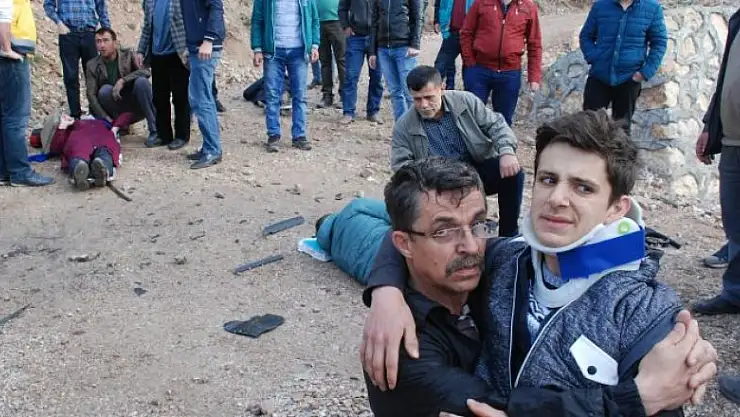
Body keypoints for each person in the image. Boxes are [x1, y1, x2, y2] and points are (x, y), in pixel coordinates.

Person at [360, 116, 719, 416]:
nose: (557, 198)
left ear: (617, 209)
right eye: (548, 180)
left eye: (583, 188)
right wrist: (385, 290)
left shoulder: (645, 312)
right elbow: (389, 233)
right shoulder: (504, 260)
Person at [391, 66, 524, 237]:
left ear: (442, 88)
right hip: (439, 183)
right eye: (417, 99)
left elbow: (496, 125)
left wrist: (506, 151)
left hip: (476, 170)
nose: (423, 105)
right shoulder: (404, 126)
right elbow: (402, 167)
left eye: (429, 97)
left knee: (513, 173)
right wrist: (425, 185)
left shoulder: (465, 101)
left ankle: (509, 235)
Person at [693, 7, 740, 316]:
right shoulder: (738, 19)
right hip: (733, 140)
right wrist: (710, 126)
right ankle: (735, 293)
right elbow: (725, 79)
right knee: (734, 220)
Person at [579, 0, 667, 136]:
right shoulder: (601, 6)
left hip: (629, 79)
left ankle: (619, 151)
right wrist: (594, 57)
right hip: (599, 76)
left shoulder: (652, 8)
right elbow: (586, 36)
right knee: (589, 126)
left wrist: (645, 72)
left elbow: (659, 43)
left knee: (622, 131)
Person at [251, 0, 320, 153]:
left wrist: (314, 45)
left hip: (299, 52)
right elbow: (257, 20)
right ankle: (273, 135)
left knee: (300, 95)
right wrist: (257, 49)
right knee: (272, 95)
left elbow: (314, 19)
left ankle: (299, 136)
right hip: (273, 52)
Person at [460, 0, 541, 127]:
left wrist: (534, 76)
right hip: (479, 70)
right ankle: (471, 140)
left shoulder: (528, 7)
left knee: (503, 120)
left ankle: (500, 140)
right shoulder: (481, 3)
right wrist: (469, 61)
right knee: (472, 116)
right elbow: (466, 32)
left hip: (510, 74)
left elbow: (535, 43)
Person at [0, 0, 55, 187]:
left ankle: (4, 171)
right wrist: (7, 49)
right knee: (15, 117)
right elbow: (3, 13)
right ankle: (19, 172)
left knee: (5, 117)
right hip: (10, 57)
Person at [136, 0, 191, 150]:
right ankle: (163, 135)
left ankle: (181, 136)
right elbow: (147, 28)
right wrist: (141, 50)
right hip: (157, 55)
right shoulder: (149, 2)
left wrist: (190, 49)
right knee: (159, 98)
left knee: (180, 98)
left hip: (177, 55)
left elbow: (189, 23)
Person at [86, 28, 156, 144]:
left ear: (114, 42)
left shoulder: (128, 54)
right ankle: (119, 125)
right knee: (104, 90)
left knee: (141, 82)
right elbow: (91, 95)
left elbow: (146, 72)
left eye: (105, 40)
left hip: (135, 105)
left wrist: (123, 81)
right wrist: (106, 118)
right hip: (114, 110)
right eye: (98, 41)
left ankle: (154, 129)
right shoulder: (92, 65)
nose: (102, 45)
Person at [44, 0, 111, 120]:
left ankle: (95, 114)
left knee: (93, 76)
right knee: (70, 77)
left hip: (90, 34)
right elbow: (48, 5)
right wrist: (59, 23)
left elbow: (101, 6)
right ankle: (75, 115)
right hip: (68, 34)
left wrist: (106, 31)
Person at [181, 0, 225, 169]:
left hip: (205, 46)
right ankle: (209, 146)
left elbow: (216, 6)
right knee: (199, 97)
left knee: (201, 98)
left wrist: (208, 39)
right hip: (196, 46)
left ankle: (213, 150)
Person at [40, 111, 127, 190]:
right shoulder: (71, 127)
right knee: (79, 155)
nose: (65, 116)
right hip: (80, 141)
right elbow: (55, 148)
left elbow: (127, 114)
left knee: (104, 154)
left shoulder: (104, 122)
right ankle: (83, 172)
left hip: (103, 139)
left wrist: (115, 127)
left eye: (65, 114)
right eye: (63, 116)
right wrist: (63, 126)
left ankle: (99, 171)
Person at [368, 0, 423, 121]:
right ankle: (401, 125)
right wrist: (372, 51)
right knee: (394, 91)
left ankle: (416, 126)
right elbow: (374, 22)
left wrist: (415, 44)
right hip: (383, 48)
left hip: (404, 47)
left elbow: (417, 17)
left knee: (409, 91)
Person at [316, 198, 391, 285]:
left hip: (381, 278)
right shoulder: (353, 208)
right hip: (392, 247)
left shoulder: (335, 255)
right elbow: (395, 213)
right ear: (333, 216)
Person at [338, 0, 384, 124]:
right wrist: (345, 26)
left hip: (377, 38)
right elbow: (342, 7)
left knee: (377, 76)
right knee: (351, 76)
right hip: (355, 37)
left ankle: (373, 111)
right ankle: (348, 112)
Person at [432, 0, 473, 91]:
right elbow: (438, 2)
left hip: (471, 35)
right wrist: (437, 20)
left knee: (470, 69)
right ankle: (434, 94)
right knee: (440, 67)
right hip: (451, 33)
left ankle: (469, 96)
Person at [316, 0, 345, 109]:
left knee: (342, 60)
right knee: (324, 61)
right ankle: (327, 95)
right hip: (318, 21)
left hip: (338, 21)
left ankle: (345, 96)